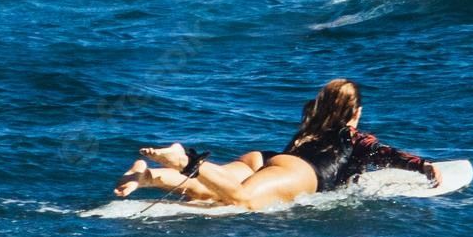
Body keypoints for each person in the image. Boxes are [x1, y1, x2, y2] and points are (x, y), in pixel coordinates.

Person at [114, 78, 439, 210]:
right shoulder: (351, 134)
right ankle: (185, 161)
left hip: (265, 159)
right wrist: (421, 165)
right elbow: (385, 153)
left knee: (210, 190)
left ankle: (148, 177)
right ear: (356, 112)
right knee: (243, 200)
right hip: (300, 172)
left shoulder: (312, 122)